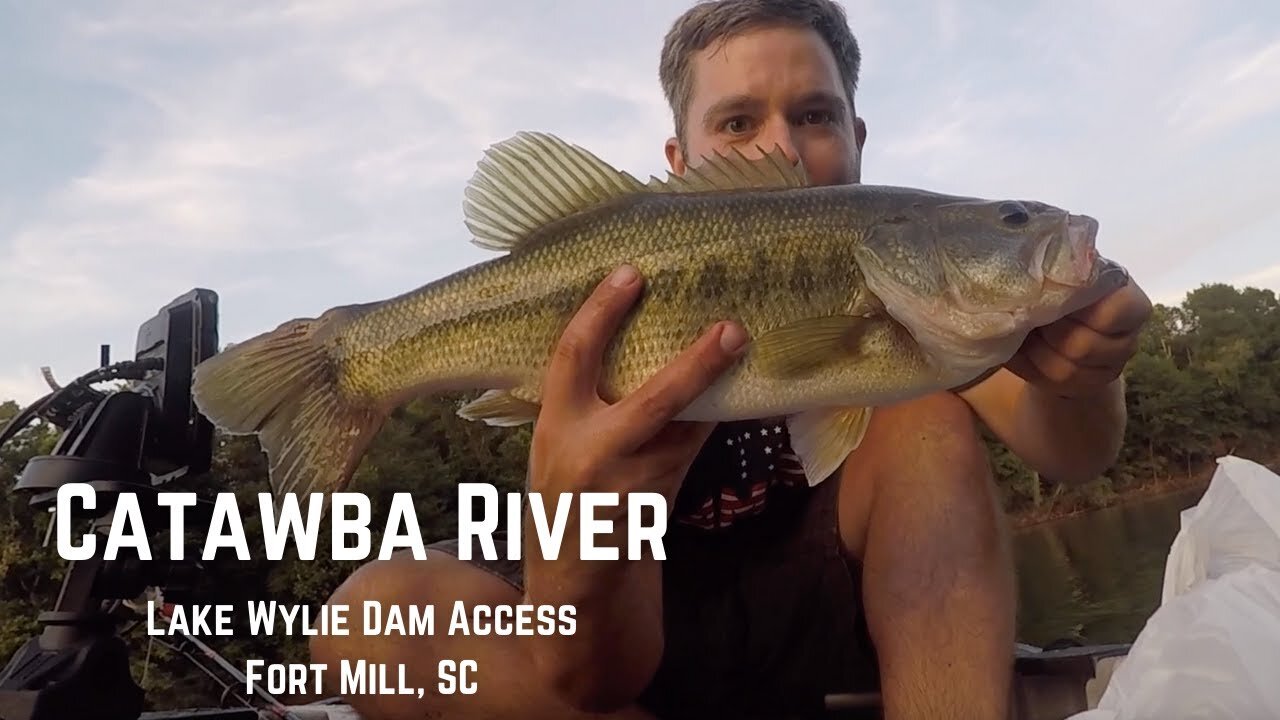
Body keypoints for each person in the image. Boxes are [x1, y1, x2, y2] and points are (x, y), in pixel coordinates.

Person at [309, 1, 1153, 718]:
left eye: (815, 115)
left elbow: (1073, 448)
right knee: (366, 622)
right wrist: (584, 525)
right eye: (738, 121)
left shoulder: (940, 327)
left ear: (859, 137)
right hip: (636, 608)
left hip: (823, 601)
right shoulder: (620, 271)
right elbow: (590, 674)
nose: (780, 149)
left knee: (924, 416)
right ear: (677, 163)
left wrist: (1091, 368)